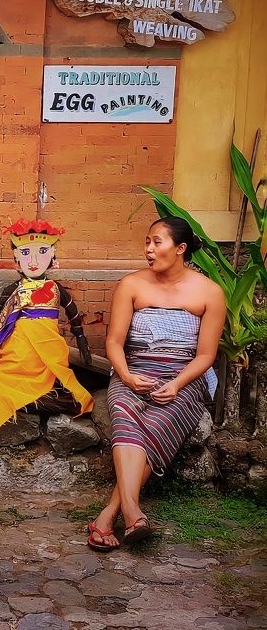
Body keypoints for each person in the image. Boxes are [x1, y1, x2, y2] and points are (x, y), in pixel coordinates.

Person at [87, 216, 224, 552]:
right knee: (123, 410)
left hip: (184, 378)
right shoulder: (131, 285)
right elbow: (115, 343)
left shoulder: (210, 292)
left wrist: (177, 384)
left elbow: (205, 356)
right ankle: (134, 512)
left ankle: (111, 512)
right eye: (147, 241)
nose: (149, 249)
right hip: (133, 371)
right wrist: (128, 376)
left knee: (159, 420)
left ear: (180, 248)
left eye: (157, 242)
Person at [0, 218, 93, 444]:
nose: (33, 261)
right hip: (19, 346)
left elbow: (75, 321)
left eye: (42, 252)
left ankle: (42, 395)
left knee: (61, 383)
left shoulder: (56, 289)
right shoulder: (15, 289)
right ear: (16, 260)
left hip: (49, 347)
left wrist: (84, 348)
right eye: (25, 253)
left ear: (53, 257)